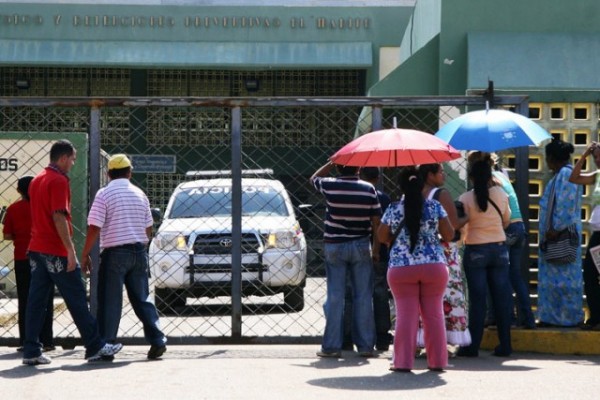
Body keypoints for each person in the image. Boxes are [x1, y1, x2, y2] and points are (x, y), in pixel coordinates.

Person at [22, 139, 123, 365]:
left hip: (36, 248)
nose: (73, 164)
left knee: (36, 302)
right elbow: (59, 216)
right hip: (55, 250)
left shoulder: (37, 180)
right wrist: (70, 251)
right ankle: (95, 345)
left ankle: (31, 350)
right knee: (76, 298)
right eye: (73, 159)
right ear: (64, 158)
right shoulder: (58, 181)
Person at [81, 154, 167, 359]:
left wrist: (85, 254)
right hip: (138, 251)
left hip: (114, 253)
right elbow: (148, 229)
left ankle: (107, 345)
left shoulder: (104, 194)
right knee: (143, 299)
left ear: (109, 174)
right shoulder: (140, 194)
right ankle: (157, 339)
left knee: (110, 302)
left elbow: (94, 227)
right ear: (130, 172)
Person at [378, 166, 454, 372]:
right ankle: (438, 361)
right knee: (434, 314)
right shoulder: (435, 206)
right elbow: (449, 234)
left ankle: (402, 362)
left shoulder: (393, 209)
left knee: (405, 315)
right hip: (434, 267)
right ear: (422, 185)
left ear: (400, 186)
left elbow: (381, 236)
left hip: (401, 269)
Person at [311, 160, 381, 358]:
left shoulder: (330, 185)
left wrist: (330, 163)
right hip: (360, 244)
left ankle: (331, 346)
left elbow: (314, 178)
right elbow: (376, 221)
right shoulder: (368, 189)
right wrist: (375, 249)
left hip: (334, 244)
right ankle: (366, 345)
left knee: (335, 296)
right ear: (358, 168)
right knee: (363, 296)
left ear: (339, 168)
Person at [469, 152, 536, 329]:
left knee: (498, 277)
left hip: (506, 228)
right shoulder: (501, 176)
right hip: (519, 227)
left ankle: (507, 319)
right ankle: (528, 318)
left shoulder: (489, 181)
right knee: (514, 276)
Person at [455, 159, 513, 358]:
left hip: (475, 250)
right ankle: (505, 345)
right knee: (501, 299)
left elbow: (462, 226)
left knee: (478, 301)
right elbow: (507, 219)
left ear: (471, 177)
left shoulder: (465, 198)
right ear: (491, 176)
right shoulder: (501, 194)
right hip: (499, 249)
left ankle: (472, 347)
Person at [417, 163, 471, 350]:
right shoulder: (441, 194)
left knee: (422, 297)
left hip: (419, 251)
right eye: (440, 172)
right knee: (448, 294)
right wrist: (468, 217)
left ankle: (421, 339)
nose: (444, 175)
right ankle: (444, 340)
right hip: (443, 251)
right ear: (430, 175)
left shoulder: (413, 194)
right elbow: (453, 223)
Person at [3, 176, 55, 352]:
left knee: (25, 299)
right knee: (46, 299)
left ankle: (26, 340)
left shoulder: (13, 209)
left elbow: (8, 235)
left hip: (22, 258)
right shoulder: (45, 208)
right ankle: (47, 340)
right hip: (45, 256)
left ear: (19, 191)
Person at [343, 167, 392, 352]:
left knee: (351, 294)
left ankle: (347, 337)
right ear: (378, 178)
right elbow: (382, 225)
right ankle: (381, 338)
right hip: (379, 251)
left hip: (355, 246)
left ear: (359, 176)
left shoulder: (350, 195)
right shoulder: (384, 198)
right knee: (380, 294)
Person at [537, 138, 584, 327]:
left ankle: (563, 318)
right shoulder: (565, 174)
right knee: (561, 278)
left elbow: (565, 205)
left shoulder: (565, 175)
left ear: (551, 158)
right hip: (559, 235)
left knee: (563, 279)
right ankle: (556, 317)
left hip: (560, 236)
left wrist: (553, 229)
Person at [569, 142, 600, 330]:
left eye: (599, 156)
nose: (597, 160)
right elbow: (574, 178)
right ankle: (596, 317)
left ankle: (596, 318)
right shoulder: (597, 176)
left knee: (591, 272)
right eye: (595, 157)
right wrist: (585, 155)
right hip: (597, 234)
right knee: (590, 273)